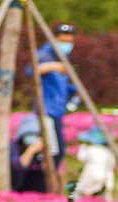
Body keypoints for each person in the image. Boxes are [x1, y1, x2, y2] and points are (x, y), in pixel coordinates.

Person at [28, 22, 80, 167]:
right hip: (46, 110)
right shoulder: (44, 55)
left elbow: (64, 85)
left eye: (70, 42)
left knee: (58, 152)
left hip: (58, 111)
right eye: (63, 41)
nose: (67, 45)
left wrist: (75, 95)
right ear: (54, 39)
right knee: (53, 153)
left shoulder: (63, 57)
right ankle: (39, 186)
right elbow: (31, 71)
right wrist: (53, 67)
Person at [10, 113, 49, 193]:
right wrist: (31, 150)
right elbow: (20, 166)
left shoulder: (41, 147)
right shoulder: (13, 146)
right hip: (16, 183)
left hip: (32, 187)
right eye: (29, 134)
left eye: (36, 135)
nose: (32, 137)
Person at [74, 127, 115, 201]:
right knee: (105, 197)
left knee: (79, 193)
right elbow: (111, 164)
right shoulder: (108, 152)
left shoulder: (92, 150)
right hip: (106, 177)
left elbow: (80, 158)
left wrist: (83, 148)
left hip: (92, 176)